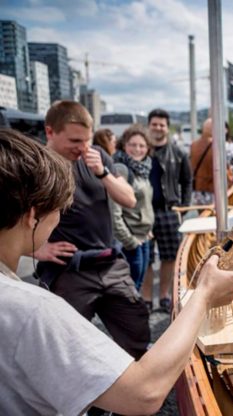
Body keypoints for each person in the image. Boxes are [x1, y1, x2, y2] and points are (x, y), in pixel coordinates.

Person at [0, 128, 233, 415]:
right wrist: (204, 294)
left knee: (134, 324)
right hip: (77, 271)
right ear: (33, 216)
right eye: (60, 209)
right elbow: (143, 393)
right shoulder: (32, 311)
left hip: (105, 263)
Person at [33, 101, 150, 360]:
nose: (82, 147)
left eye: (86, 140)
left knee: (137, 331)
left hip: (110, 263)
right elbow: (14, 217)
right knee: (68, 346)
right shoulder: (36, 166)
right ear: (50, 132)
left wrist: (103, 172)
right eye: (75, 140)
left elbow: (129, 199)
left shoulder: (96, 156)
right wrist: (37, 250)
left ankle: (129, 392)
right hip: (69, 270)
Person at [142, 108, 192, 312]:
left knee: (170, 257)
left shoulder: (178, 152)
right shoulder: (140, 149)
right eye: (154, 124)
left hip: (169, 210)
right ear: (149, 125)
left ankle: (163, 296)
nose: (158, 128)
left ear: (167, 127)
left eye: (162, 124)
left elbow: (187, 180)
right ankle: (146, 298)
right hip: (143, 212)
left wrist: (184, 206)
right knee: (146, 258)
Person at [110, 124, 154, 291]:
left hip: (144, 236)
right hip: (130, 240)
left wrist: (148, 228)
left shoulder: (143, 169)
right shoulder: (121, 169)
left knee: (137, 286)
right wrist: (130, 241)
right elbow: (114, 213)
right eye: (132, 145)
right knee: (130, 289)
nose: (137, 149)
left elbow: (145, 204)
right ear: (124, 145)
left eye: (142, 145)